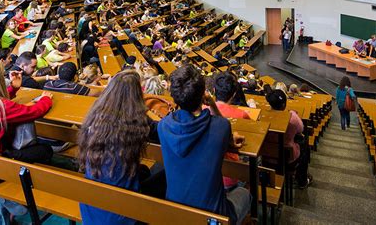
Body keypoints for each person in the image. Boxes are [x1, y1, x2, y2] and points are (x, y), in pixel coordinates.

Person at [158, 65, 251, 225]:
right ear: (203, 94)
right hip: (213, 216)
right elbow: (223, 126)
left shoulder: (163, 126)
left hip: (175, 209)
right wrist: (213, 105)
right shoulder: (220, 127)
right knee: (245, 193)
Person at [0, 60, 53, 219]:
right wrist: (46, 99)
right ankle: (12, 198)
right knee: (44, 151)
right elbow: (35, 112)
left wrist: (12, 89)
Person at [78, 70, 164, 224]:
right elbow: (162, 132)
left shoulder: (96, 115)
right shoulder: (136, 121)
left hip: (91, 205)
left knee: (143, 170)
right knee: (165, 173)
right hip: (122, 215)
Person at [265, 87, 313, 188]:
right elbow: (301, 129)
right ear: (284, 104)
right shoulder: (291, 117)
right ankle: (302, 180)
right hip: (287, 158)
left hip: (266, 156)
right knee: (304, 143)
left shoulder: (263, 115)